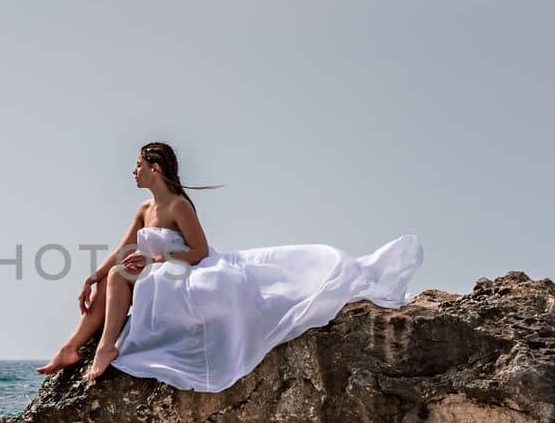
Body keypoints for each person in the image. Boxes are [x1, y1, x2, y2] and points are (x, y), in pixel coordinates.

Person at [36, 142, 423, 393]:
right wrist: (91, 276)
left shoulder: (178, 207)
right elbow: (122, 250)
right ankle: (70, 348)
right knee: (111, 279)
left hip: (185, 272)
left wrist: (157, 261)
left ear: (155, 168)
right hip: (158, 272)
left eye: (137, 165)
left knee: (121, 277)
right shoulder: (144, 209)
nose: (132, 171)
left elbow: (200, 252)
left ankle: (104, 348)